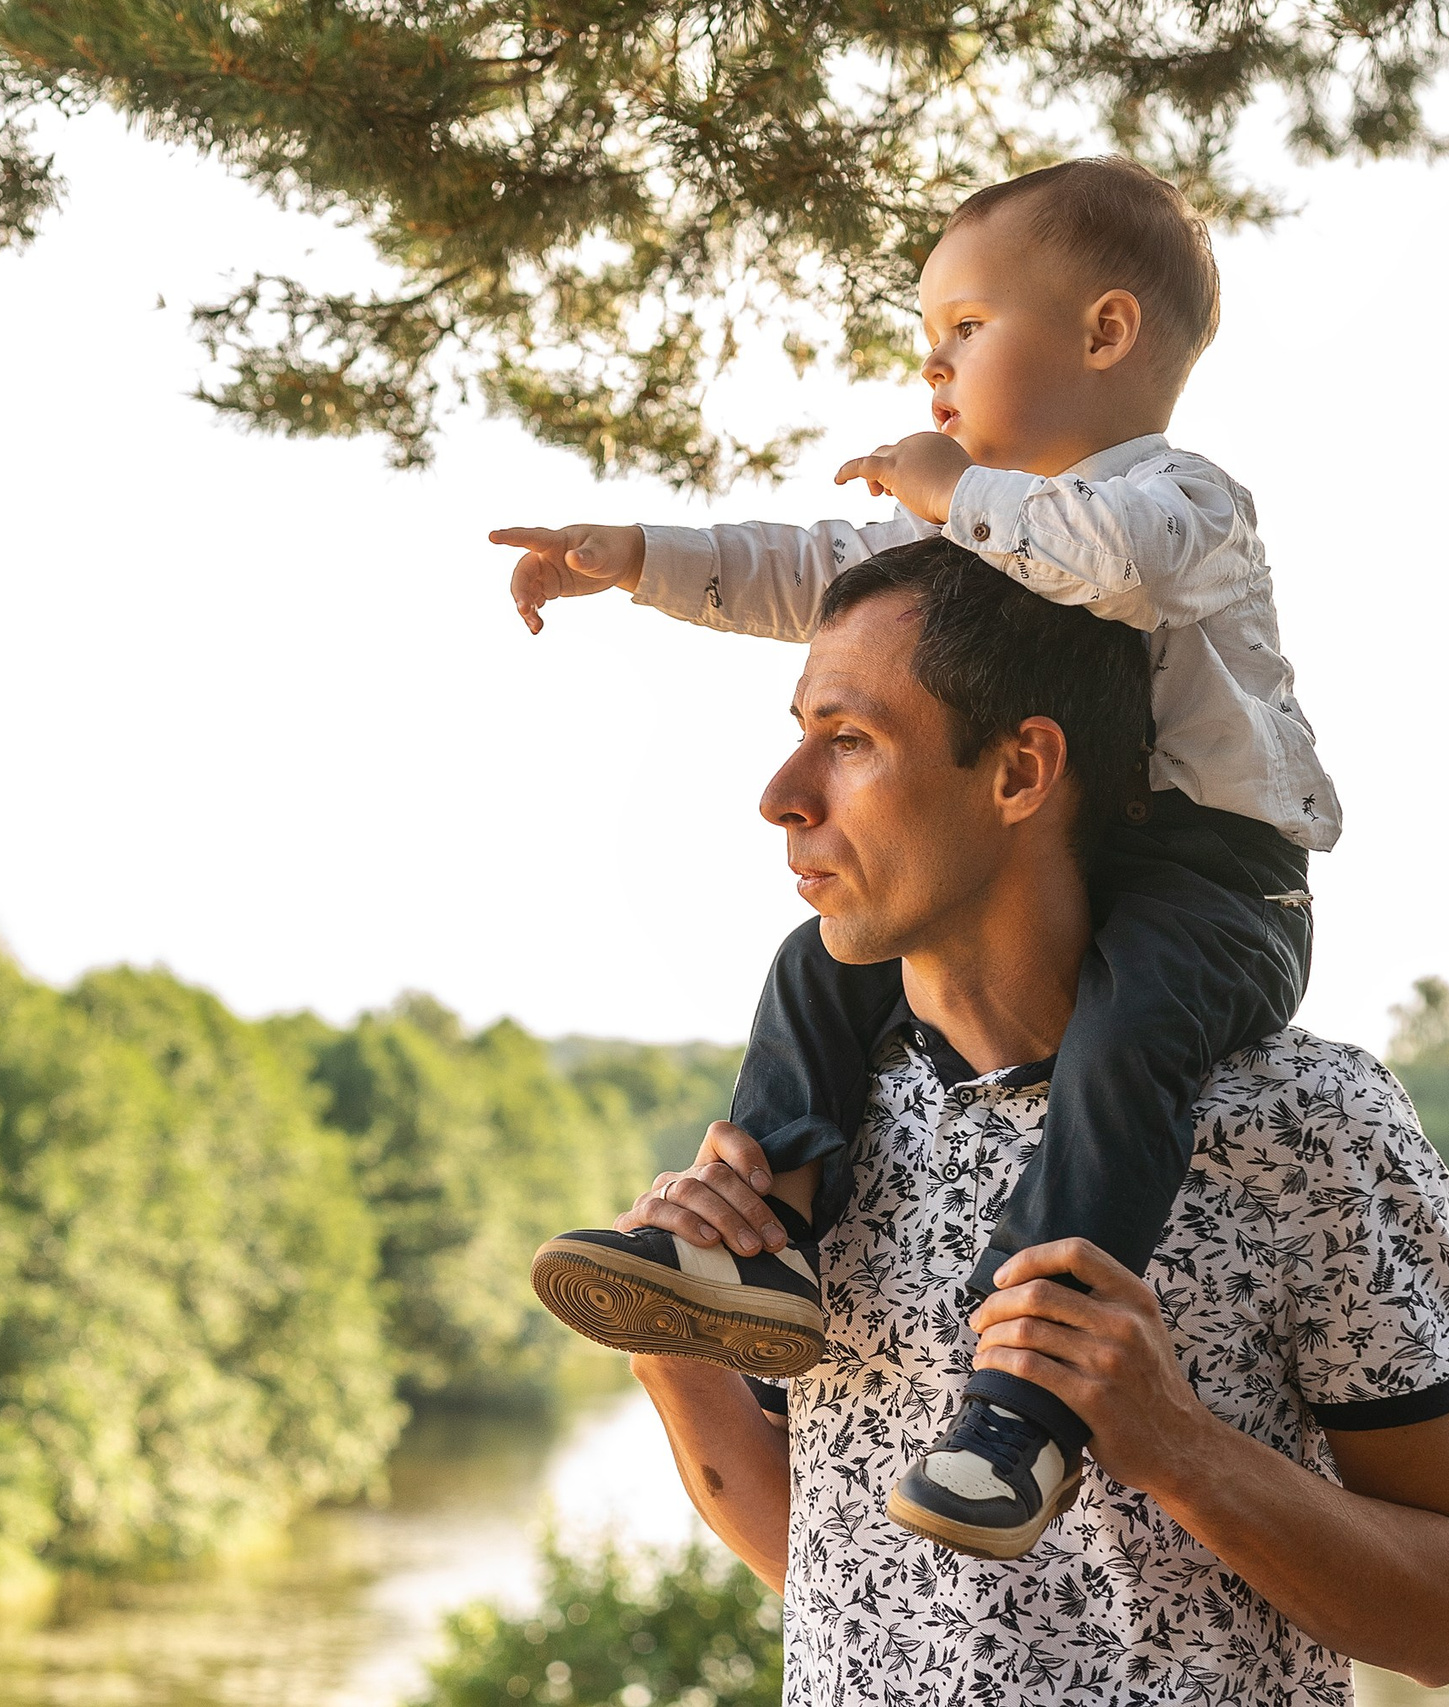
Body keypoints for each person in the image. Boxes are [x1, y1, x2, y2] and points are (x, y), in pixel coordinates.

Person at [507, 156, 1334, 1557]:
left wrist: (955, 492)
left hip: (1214, 883)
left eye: (964, 329)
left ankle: (1027, 1399)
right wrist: (639, 555)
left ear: (1106, 333)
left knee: (1129, 1034)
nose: (933, 366)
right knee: (818, 959)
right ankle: (757, 1223)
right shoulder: (976, 529)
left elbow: (1110, 564)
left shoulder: (1185, 502)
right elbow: (823, 568)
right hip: (1079, 862)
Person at [616, 539, 1449, 1699]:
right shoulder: (826, 1119)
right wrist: (676, 1365)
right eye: (798, 732)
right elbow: (859, 1586)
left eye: (848, 741)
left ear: (1019, 771)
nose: (780, 795)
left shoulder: (1304, 1123)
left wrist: (1177, 1447)